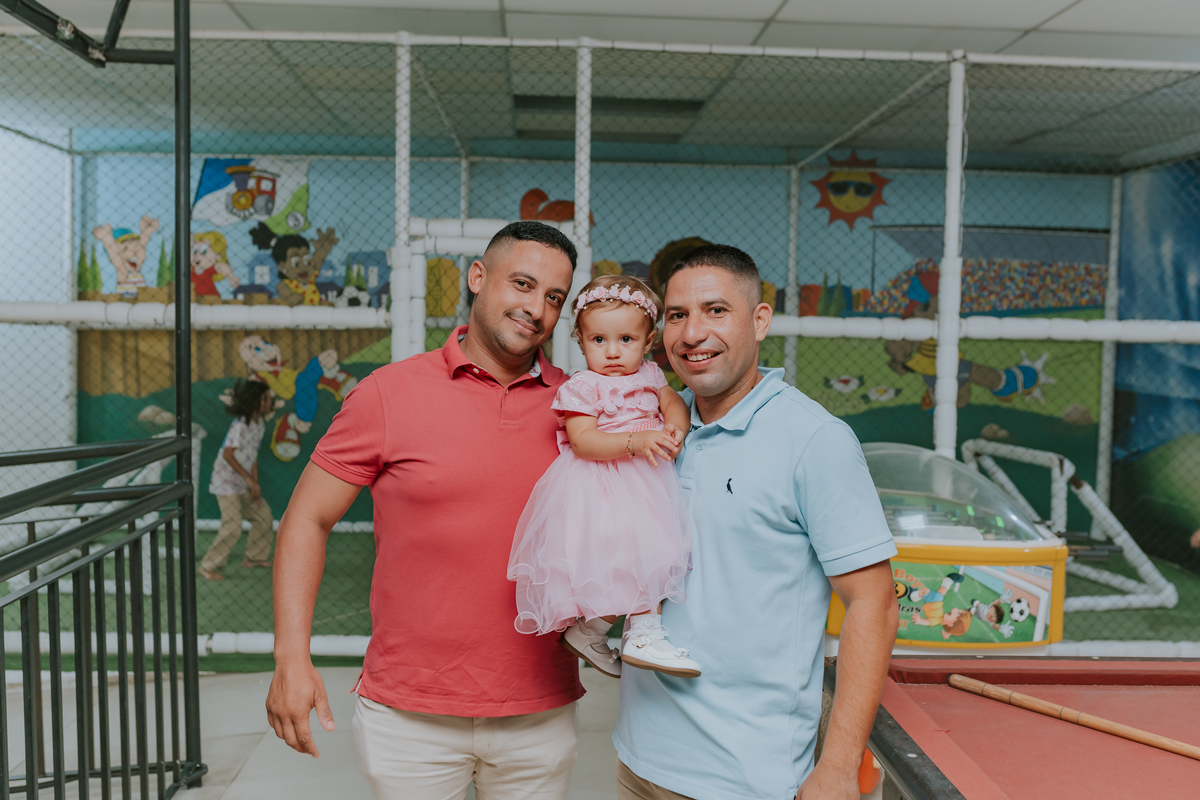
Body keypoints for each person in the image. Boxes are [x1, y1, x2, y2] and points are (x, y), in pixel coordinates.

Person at [265, 221, 583, 800]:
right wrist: (291, 656)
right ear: (478, 278)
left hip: (539, 708)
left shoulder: (578, 408)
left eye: (554, 297)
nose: (536, 308)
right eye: (522, 284)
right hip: (410, 715)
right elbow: (306, 518)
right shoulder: (387, 394)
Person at [614, 244, 900, 800]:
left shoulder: (815, 441)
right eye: (677, 315)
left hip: (743, 779)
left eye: (716, 311)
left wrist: (838, 768)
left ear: (760, 320)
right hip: (637, 758)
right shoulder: (653, 425)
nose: (692, 333)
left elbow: (875, 604)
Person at [508, 274, 699, 680]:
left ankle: (590, 632)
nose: (612, 352)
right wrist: (638, 440)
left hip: (645, 484)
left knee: (655, 553)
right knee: (625, 559)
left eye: (626, 340)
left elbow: (673, 404)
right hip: (602, 487)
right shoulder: (583, 386)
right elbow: (584, 442)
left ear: (648, 343)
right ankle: (644, 634)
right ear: (581, 340)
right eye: (599, 341)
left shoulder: (650, 376)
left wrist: (675, 431)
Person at [200, 379, 275, 581]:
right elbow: (228, 455)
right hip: (225, 482)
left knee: (263, 516)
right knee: (232, 526)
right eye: (266, 398)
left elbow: (253, 456)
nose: (270, 402)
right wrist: (249, 480)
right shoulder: (240, 426)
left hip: (243, 482)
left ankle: (254, 557)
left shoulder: (259, 425)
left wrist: (254, 483)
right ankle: (207, 566)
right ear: (256, 401)